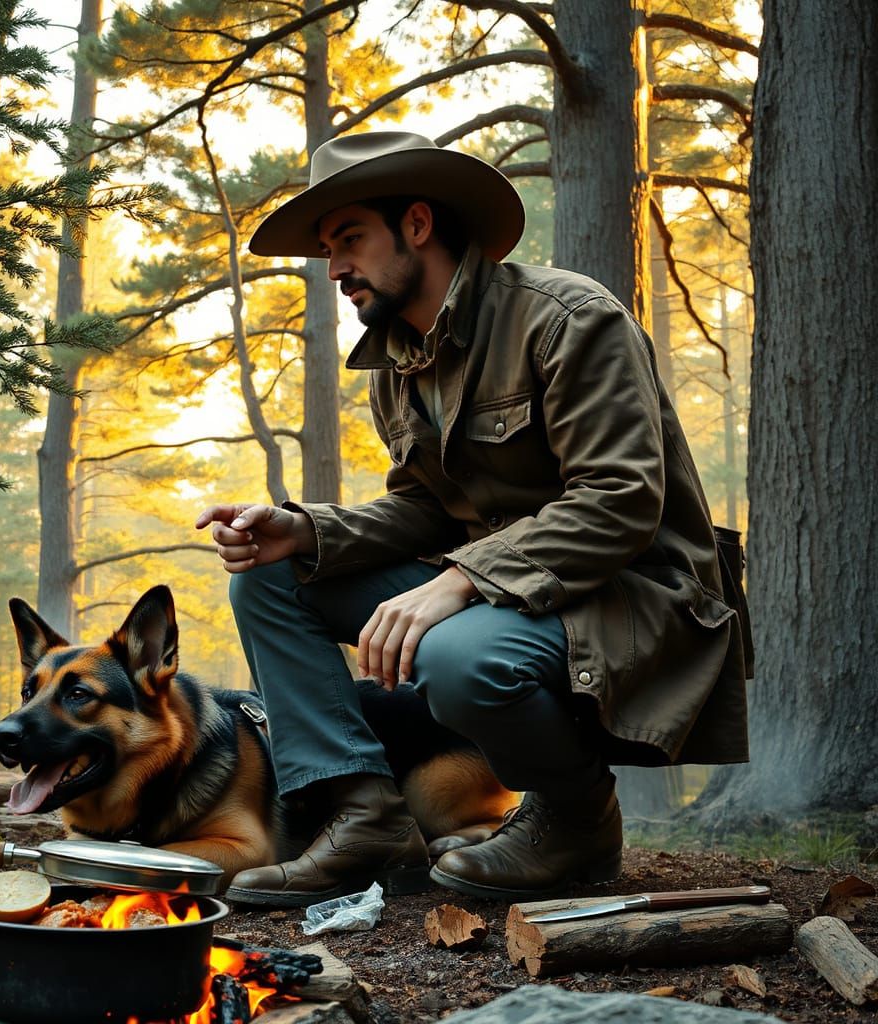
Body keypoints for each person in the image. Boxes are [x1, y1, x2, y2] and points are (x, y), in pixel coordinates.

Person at [196, 131, 750, 906]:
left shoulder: (567, 318)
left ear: (417, 224)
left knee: (454, 653)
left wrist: (460, 581)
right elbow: (427, 508)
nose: (335, 270)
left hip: (637, 595)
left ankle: (578, 821)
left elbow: (620, 499)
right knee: (273, 576)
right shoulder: (399, 365)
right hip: (507, 595)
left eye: (349, 238)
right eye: (326, 249)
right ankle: (362, 814)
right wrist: (310, 531)